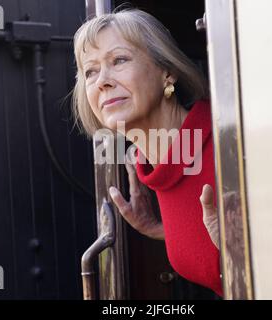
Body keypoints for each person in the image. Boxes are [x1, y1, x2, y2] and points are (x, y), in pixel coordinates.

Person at [72, 8, 222, 297]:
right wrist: (166, 231)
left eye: (119, 60)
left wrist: (240, 252)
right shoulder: (159, 167)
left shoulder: (224, 145)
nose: (102, 80)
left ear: (167, 72)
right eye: (90, 70)